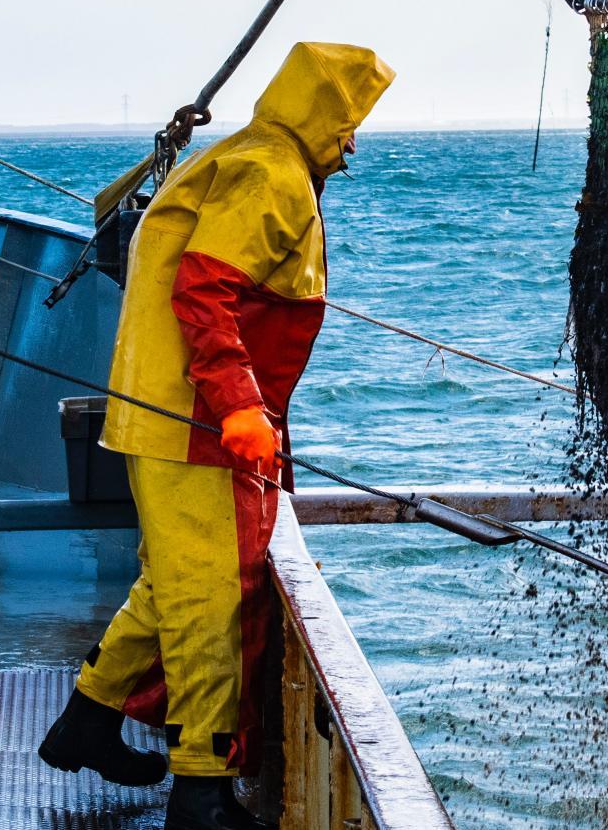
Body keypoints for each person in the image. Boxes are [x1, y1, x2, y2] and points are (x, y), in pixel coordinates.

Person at [39, 42, 394, 830]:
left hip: (160, 411)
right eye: (349, 123)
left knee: (174, 580)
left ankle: (88, 720)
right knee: (209, 598)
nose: (353, 143)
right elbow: (206, 291)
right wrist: (238, 406)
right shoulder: (273, 175)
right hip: (193, 422)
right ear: (323, 115)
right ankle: (200, 789)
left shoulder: (249, 154)